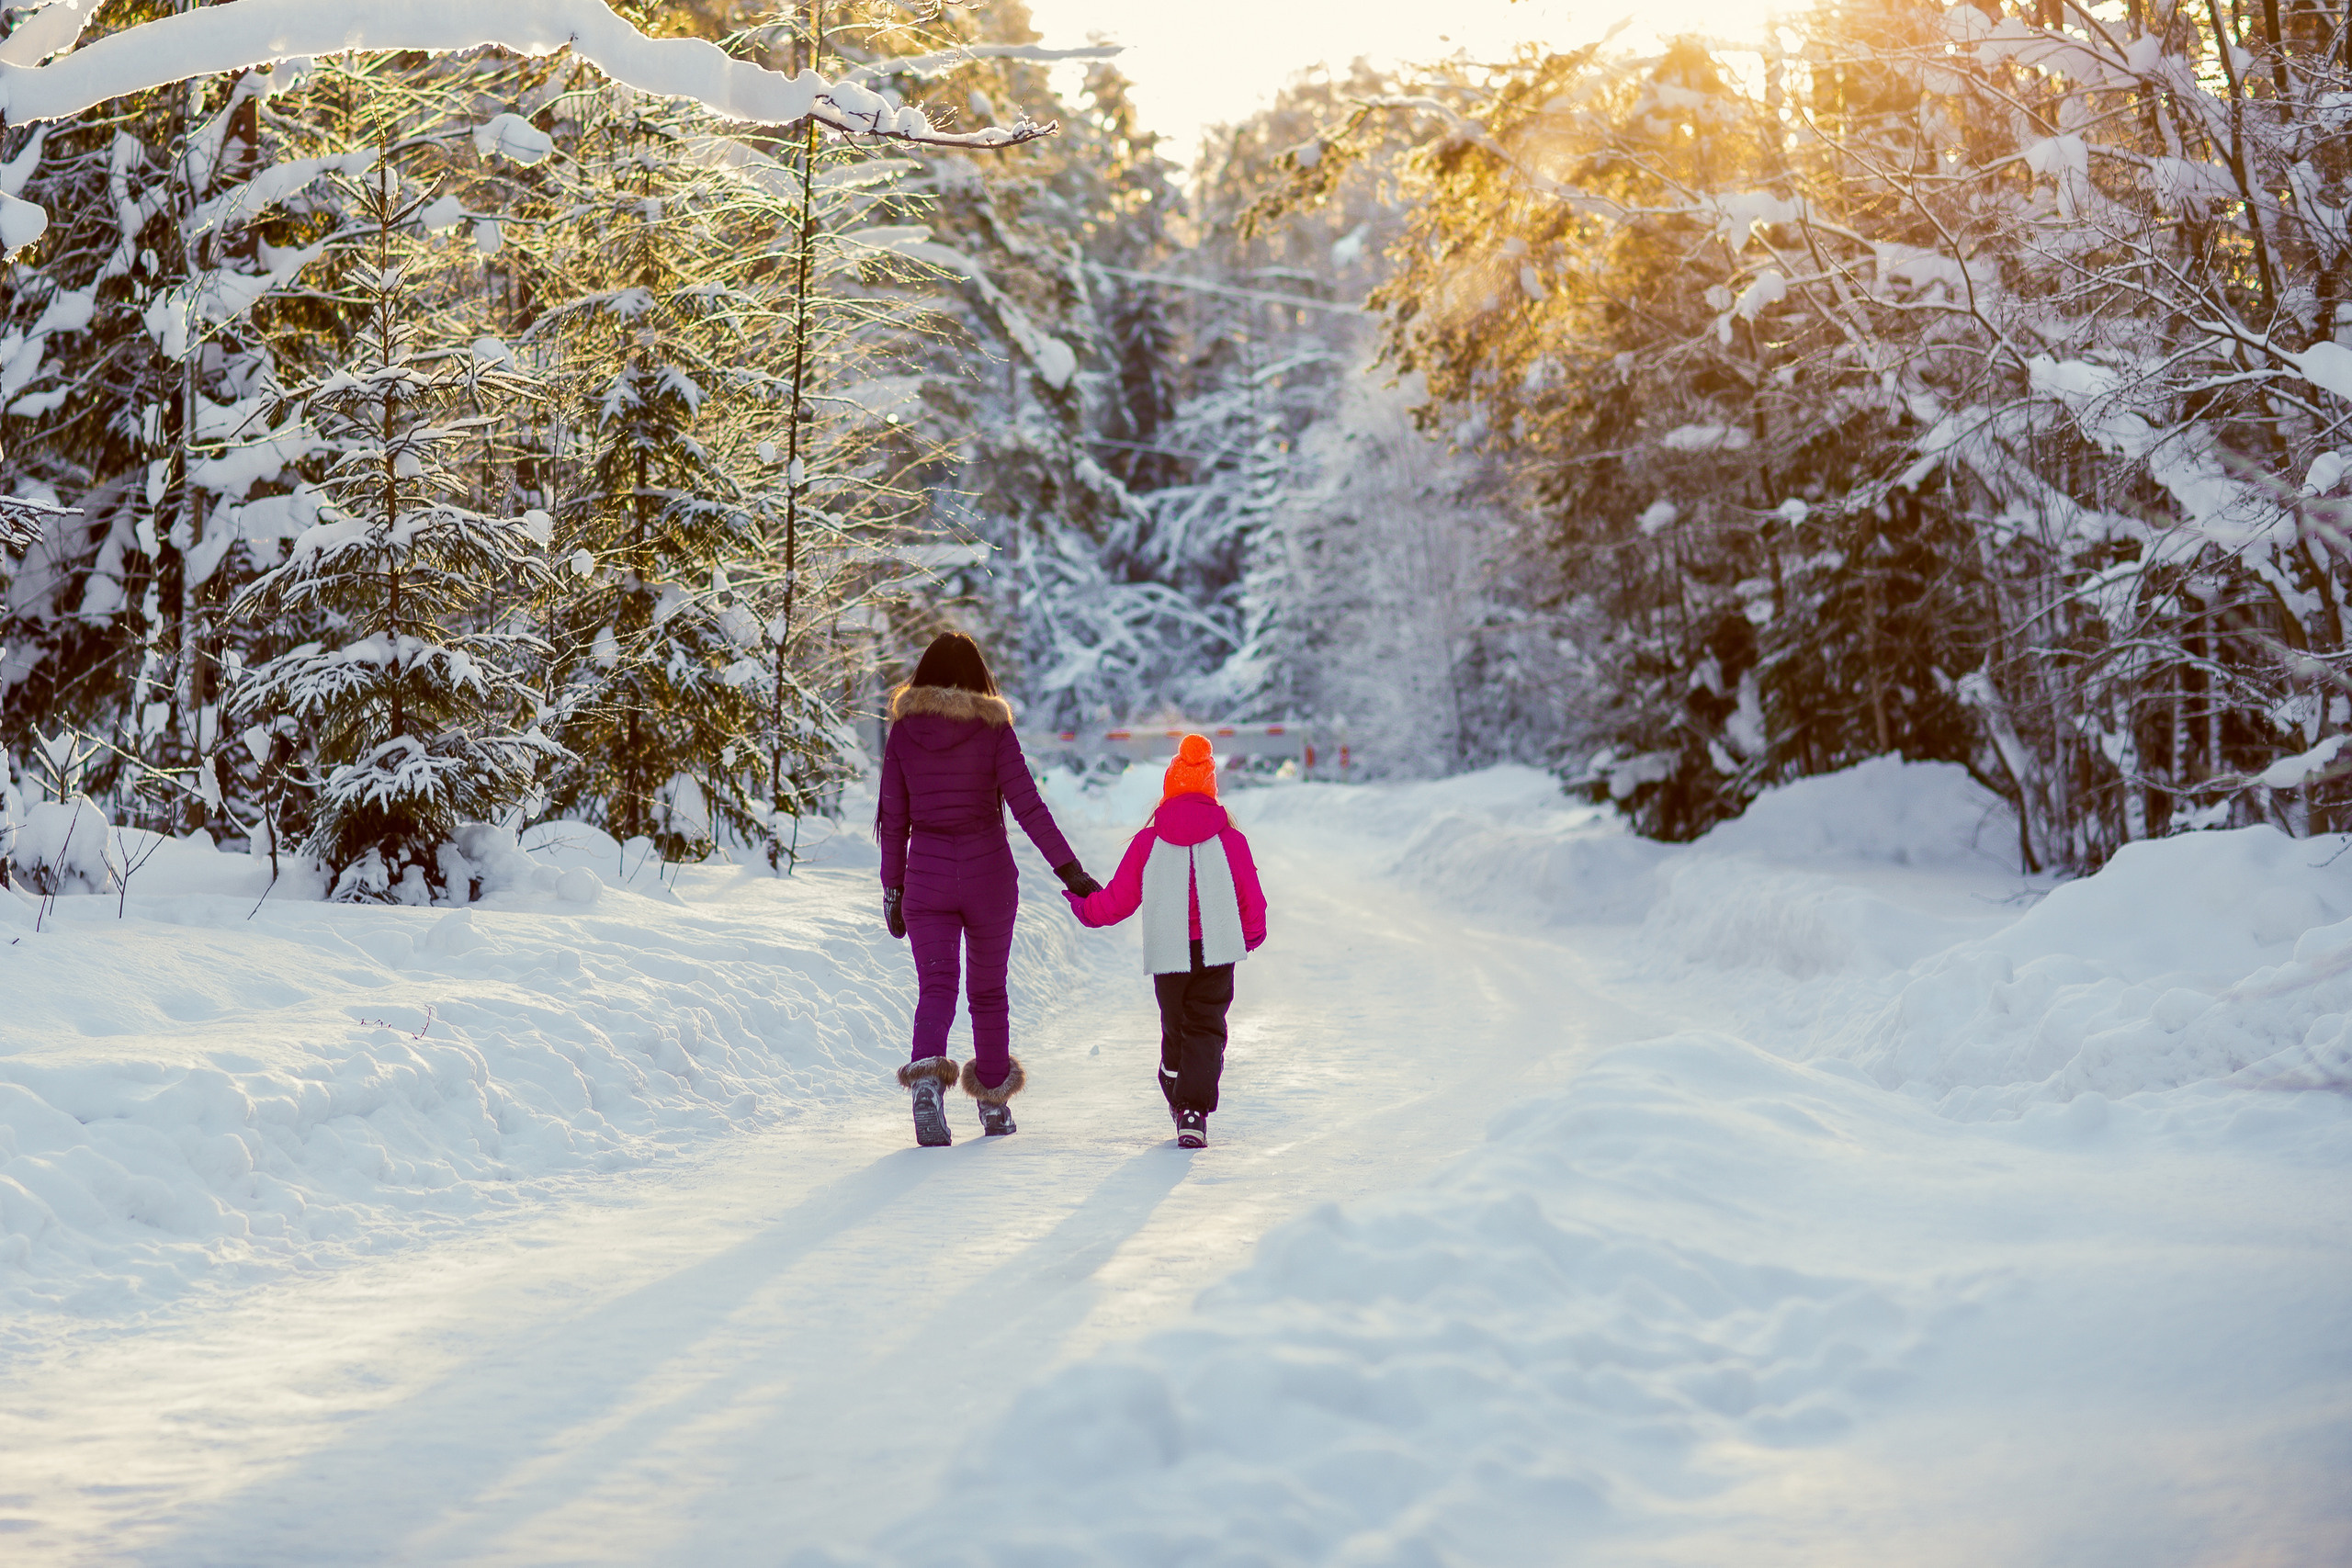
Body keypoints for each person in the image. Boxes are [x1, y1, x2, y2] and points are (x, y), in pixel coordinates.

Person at [876, 632, 1099, 1146]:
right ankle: (994, 1106)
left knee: (936, 987)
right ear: (979, 676)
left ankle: (928, 1087)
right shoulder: (994, 729)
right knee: (988, 992)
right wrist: (1069, 870)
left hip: (927, 880)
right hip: (990, 878)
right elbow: (1028, 807)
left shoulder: (905, 731)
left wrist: (893, 889)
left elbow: (894, 818)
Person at [1063, 733, 1267, 1148]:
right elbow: (1251, 895)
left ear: (1169, 790)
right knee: (1207, 1027)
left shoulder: (1149, 842)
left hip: (1168, 950)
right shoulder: (1231, 840)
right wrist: (1251, 934)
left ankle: (1180, 1092)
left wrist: (1085, 906)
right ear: (1210, 790)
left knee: (1176, 1028)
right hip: (1218, 948)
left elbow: (1118, 901)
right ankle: (1192, 1109)